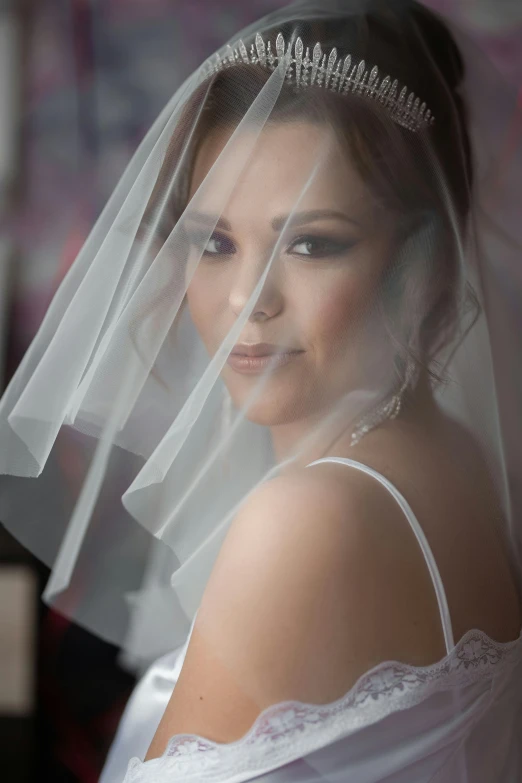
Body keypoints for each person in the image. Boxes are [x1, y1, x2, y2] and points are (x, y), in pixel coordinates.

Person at [1, 1, 522, 781]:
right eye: (214, 242)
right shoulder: (454, 450)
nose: (247, 298)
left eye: (312, 242)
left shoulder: (308, 520)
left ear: (424, 263)